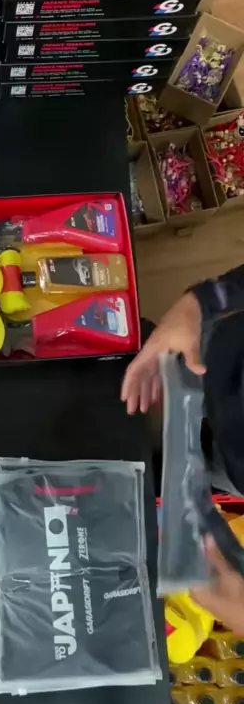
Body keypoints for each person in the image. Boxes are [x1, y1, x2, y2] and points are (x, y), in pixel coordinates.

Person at [121, 265, 244, 637]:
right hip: (221, 359)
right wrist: (202, 303)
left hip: (232, 467)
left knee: (185, 475)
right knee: (152, 366)